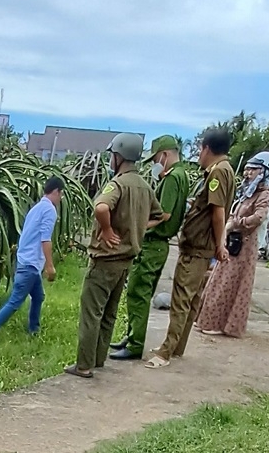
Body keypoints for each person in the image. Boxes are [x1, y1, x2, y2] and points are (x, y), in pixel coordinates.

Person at [65, 134, 163, 378]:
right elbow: (161, 215)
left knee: (91, 313)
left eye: (112, 155)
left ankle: (84, 365)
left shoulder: (117, 184)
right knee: (109, 313)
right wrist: (138, 227)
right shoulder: (144, 185)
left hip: (105, 259)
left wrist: (107, 230)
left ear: (119, 156)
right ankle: (98, 359)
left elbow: (101, 207)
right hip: (126, 261)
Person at [146, 128, 236, 369]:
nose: (198, 154)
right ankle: (177, 346)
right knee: (192, 298)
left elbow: (218, 214)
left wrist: (220, 245)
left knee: (181, 300)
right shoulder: (225, 171)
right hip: (201, 247)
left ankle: (165, 352)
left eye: (200, 149)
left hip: (198, 248)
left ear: (207, 148)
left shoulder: (218, 172)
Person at [110, 135, 190, 360]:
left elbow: (163, 214)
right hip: (158, 246)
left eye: (155, 158)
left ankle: (135, 344)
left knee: (138, 292)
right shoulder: (180, 175)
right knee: (141, 292)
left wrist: (136, 226)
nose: (155, 163)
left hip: (154, 244)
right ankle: (132, 335)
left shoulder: (173, 177)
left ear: (164, 155)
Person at [195, 152, 269, 338]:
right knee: (217, 280)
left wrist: (237, 222)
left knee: (228, 284)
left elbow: (259, 217)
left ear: (264, 171)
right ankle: (207, 320)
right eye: (247, 169)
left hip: (244, 244)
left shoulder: (264, 193)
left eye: (253, 169)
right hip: (233, 239)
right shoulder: (248, 191)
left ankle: (222, 324)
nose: (247, 173)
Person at [0, 177, 63, 339]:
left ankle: (34, 330)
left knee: (38, 296)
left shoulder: (36, 208)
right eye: (61, 194)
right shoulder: (49, 210)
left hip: (25, 259)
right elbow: (46, 239)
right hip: (31, 263)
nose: (61, 198)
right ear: (56, 192)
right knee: (15, 301)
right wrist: (50, 265)